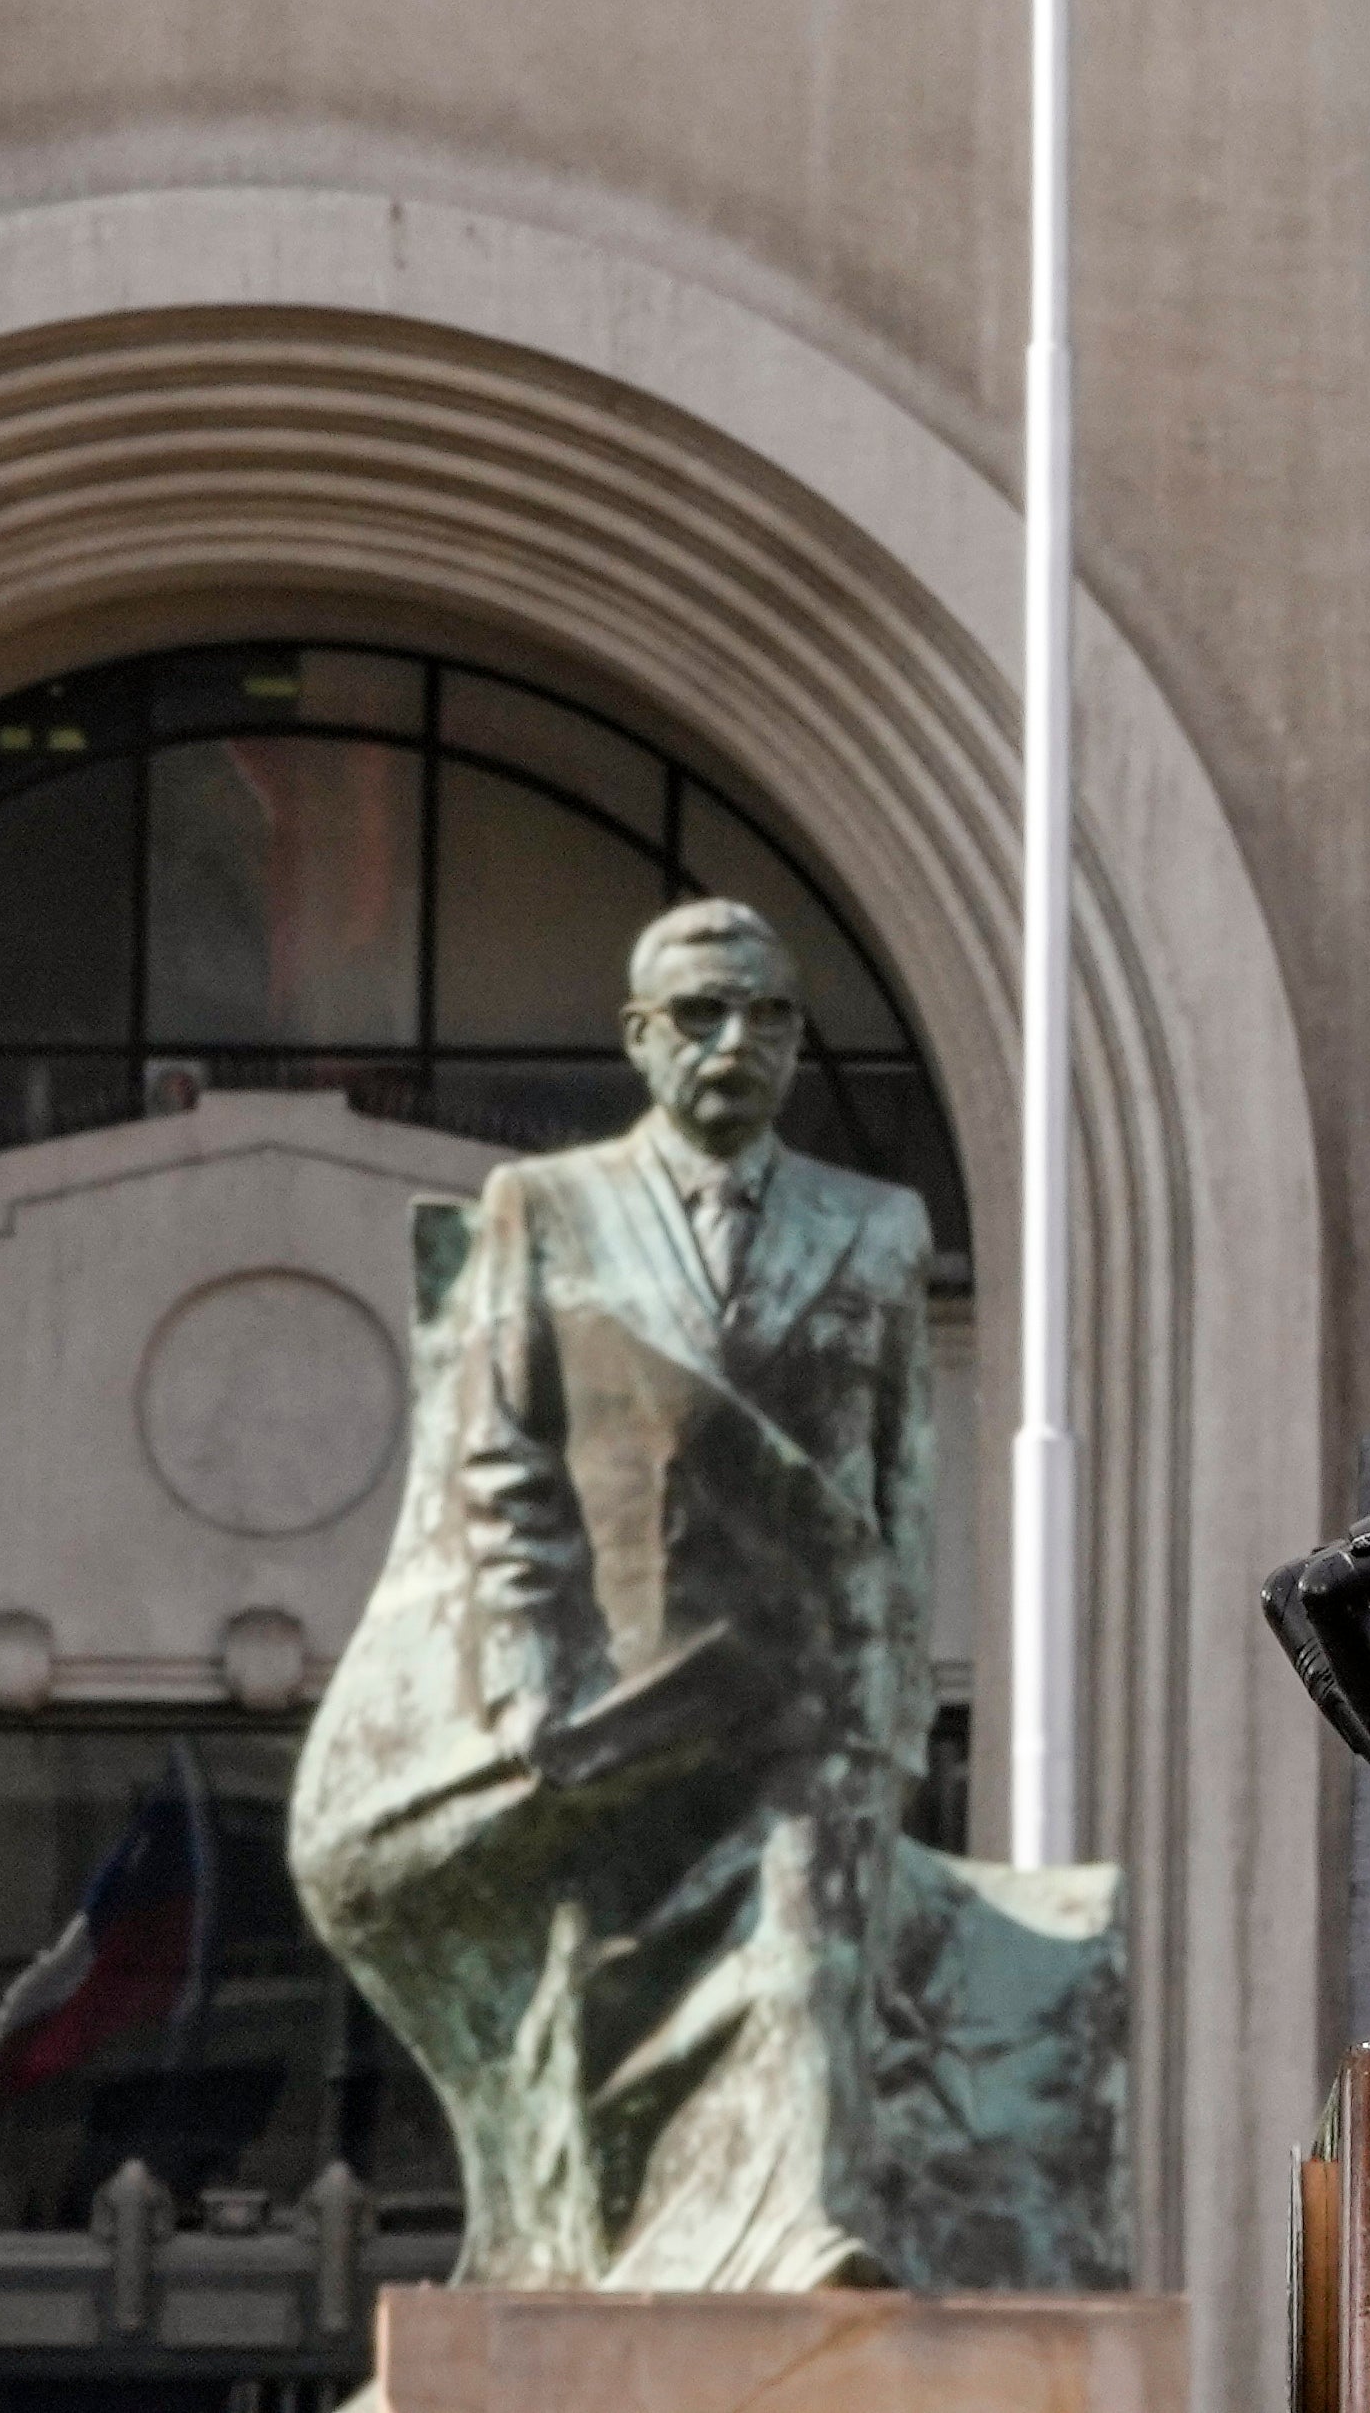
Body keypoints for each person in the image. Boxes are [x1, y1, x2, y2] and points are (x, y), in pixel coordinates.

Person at [292, 898, 945, 2290]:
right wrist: (528, 1677)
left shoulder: (879, 1227)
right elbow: (500, 1458)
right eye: (702, 1014)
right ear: (641, 1039)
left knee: (806, 1963)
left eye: (768, 1016)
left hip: (805, 1690)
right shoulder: (550, 1207)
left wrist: (899, 1710)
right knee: (600, 2001)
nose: (737, 1043)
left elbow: (901, 1484)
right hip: (621, 1686)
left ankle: (802, 2234)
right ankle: (629, 2250)